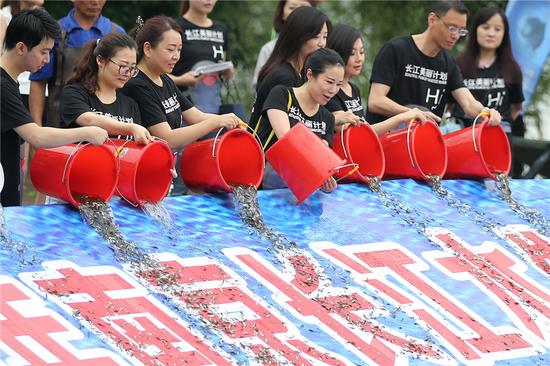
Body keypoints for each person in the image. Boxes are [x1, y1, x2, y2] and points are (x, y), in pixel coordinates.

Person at [121, 16, 241, 194]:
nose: (176, 56)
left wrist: (229, 120)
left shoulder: (164, 79)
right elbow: (168, 139)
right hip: (136, 177)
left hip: (162, 172)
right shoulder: (137, 85)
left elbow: (196, 116)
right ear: (148, 48)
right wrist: (216, 122)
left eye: (179, 49)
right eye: (170, 49)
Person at [1, 8, 107, 207]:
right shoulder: (2, 85)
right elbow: (37, 137)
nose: (47, 59)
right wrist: (88, 133)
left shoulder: (8, 82)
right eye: (44, 51)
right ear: (21, 48)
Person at [366, 0, 502, 127]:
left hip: (423, 144)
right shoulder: (395, 50)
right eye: (452, 28)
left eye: (461, 31)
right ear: (432, 20)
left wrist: (486, 112)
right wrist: (410, 114)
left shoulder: (448, 63)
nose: (455, 36)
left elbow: (468, 103)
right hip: (386, 142)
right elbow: (376, 101)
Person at [258, 48, 341, 192]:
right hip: (262, 186)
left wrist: (324, 181)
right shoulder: (282, 95)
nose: (333, 90)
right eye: (329, 82)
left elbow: (319, 161)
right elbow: (286, 140)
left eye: (339, 84)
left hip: (294, 193)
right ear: (310, 75)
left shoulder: (327, 118)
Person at [326, 24, 430, 136]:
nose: (359, 59)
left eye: (361, 52)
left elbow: (365, 129)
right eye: (352, 53)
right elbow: (356, 135)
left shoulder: (354, 89)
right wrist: (402, 117)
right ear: (337, 53)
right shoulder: (330, 91)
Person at [60, 33, 152, 145]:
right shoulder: (74, 93)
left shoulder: (130, 104)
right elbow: (90, 120)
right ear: (100, 60)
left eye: (132, 68)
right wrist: (131, 128)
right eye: (123, 66)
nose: (127, 74)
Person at [250, 6, 330, 131]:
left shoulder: (299, 73)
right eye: (316, 36)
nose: (322, 43)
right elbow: (292, 132)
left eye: (324, 37)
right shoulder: (284, 77)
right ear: (298, 36)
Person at [449, 6, 523, 133]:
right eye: (486, 27)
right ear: (475, 29)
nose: (491, 33)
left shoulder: (512, 69)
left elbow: (516, 108)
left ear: (504, 34)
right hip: (462, 137)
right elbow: (449, 105)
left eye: (497, 29)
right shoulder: (458, 65)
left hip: (498, 137)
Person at [170, 0, 235, 114]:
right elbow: (154, 73)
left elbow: (222, 67)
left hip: (213, 107)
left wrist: (227, 72)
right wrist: (179, 80)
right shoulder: (175, 28)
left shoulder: (221, 29)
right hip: (181, 108)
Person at [251, 0, 312, 91]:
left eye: (303, 7)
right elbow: (258, 87)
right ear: (282, 14)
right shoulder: (269, 49)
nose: (298, 12)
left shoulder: (320, 47)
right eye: (292, 8)